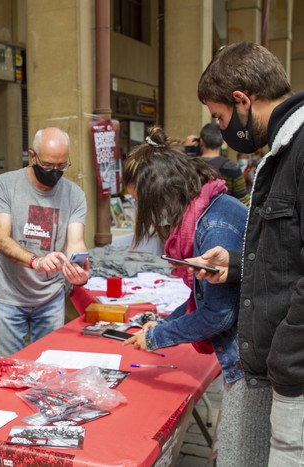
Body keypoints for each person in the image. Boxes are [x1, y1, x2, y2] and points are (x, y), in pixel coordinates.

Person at [121, 126, 269, 466]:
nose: (141, 211)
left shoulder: (211, 227)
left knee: (237, 452)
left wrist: (157, 335)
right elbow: (204, 298)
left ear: (159, 194)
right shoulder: (209, 209)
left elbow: (216, 314)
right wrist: (162, 324)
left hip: (250, 357)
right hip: (249, 351)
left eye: (140, 202)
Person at [186, 41, 304, 466]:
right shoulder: (283, 150)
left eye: (220, 116)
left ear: (242, 99)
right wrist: (235, 266)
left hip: (292, 377)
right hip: (277, 374)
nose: (222, 126)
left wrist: (286, 354)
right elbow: (287, 257)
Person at [0, 127, 89, 358]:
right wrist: (36, 262)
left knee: (49, 366)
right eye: (48, 166)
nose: (54, 172)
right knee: (7, 369)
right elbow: (1, 239)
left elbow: (75, 242)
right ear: (32, 156)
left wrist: (78, 267)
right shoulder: (5, 185)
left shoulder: (75, 194)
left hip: (50, 296)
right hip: (8, 295)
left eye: (62, 166)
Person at [183, 123, 250, 205]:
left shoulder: (190, 165)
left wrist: (187, 149)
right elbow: (243, 200)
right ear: (222, 142)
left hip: (196, 215)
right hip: (224, 215)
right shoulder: (232, 168)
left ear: (201, 141)